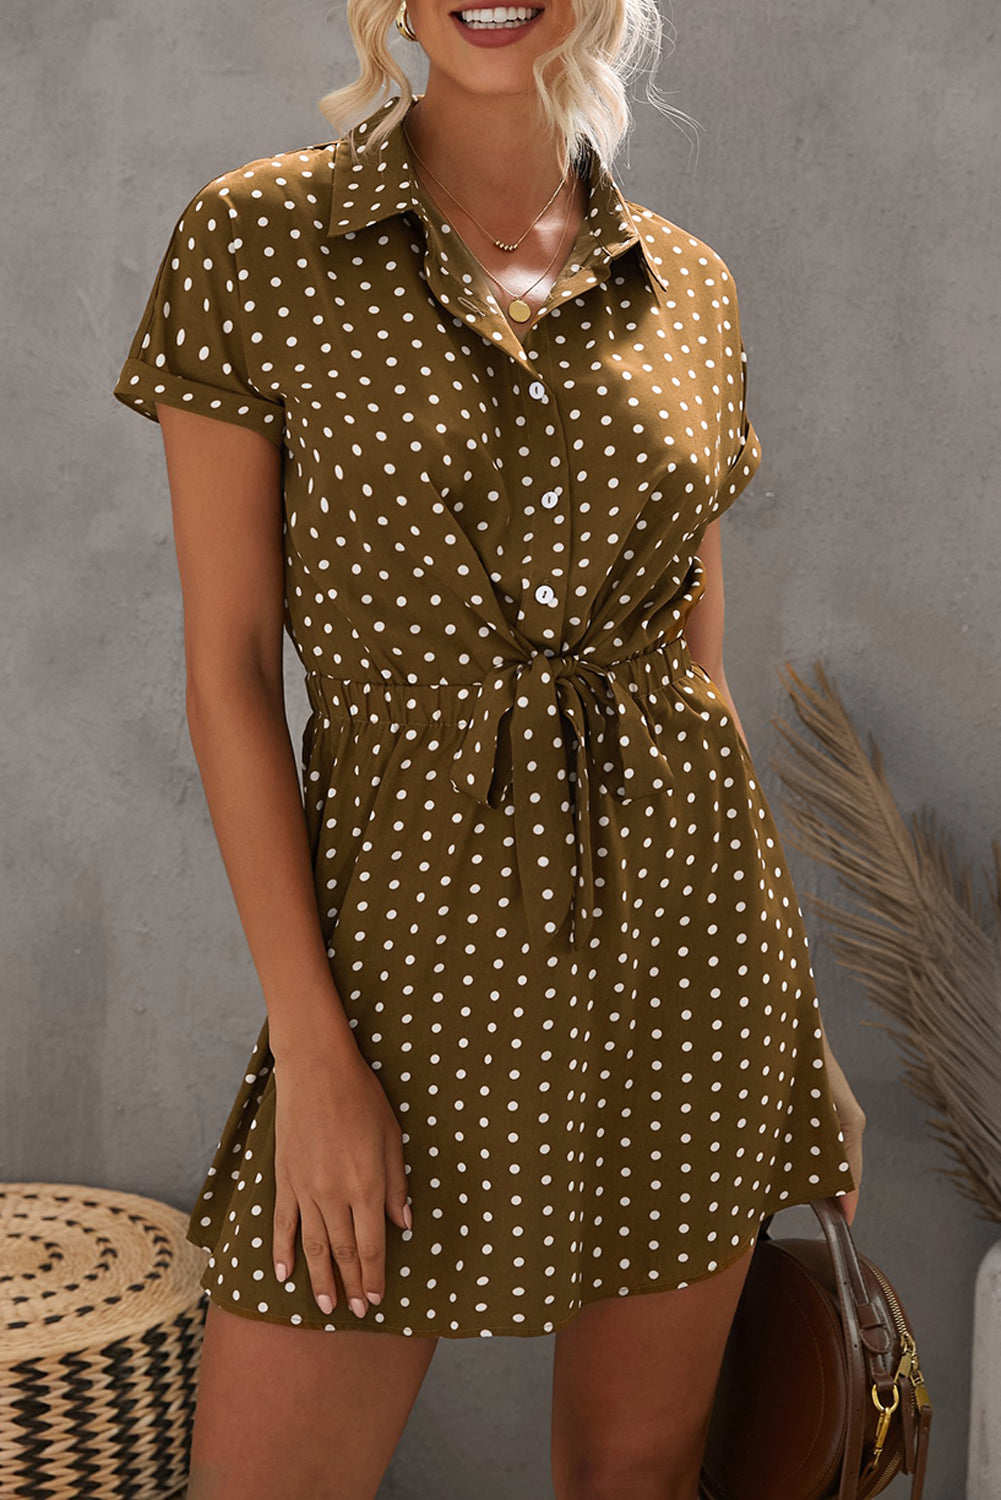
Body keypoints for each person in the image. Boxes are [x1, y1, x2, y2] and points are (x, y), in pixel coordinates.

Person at [113, 0, 867, 1495]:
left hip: (688, 961)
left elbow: (693, 682)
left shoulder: (691, 289)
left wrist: (803, 1039)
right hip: (396, 967)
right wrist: (315, 1057)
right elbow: (231, 672)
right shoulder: (258, 239)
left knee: (635, 1473)